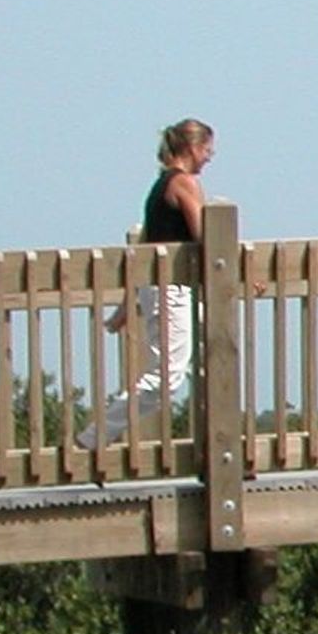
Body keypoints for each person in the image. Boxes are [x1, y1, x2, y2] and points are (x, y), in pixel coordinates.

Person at [103, 120, 215, 446]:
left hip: (170, 289)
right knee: (166, 378)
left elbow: (148, 246)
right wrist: (244, 277)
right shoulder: (183, 183)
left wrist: (130, 301)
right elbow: (206, 237)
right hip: (173, 290)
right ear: (193, 148)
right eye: (208, 150)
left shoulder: (159, 185)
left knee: (218, 359)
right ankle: (94, 439)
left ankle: (221, 444)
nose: (209, 157)